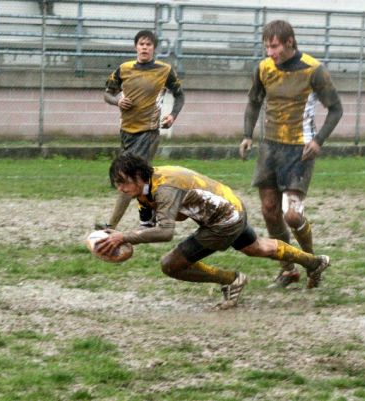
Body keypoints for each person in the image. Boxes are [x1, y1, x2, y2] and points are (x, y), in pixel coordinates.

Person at [95, 153, 331, 309]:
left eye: (123, 182)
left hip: (223, 219)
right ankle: (314, 262)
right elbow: (148, 227)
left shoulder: (163, 188)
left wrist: (123, 237)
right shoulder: (144, 190)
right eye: (117, 184)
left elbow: (165, 231)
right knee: (257, 247)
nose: (121, 189)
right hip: (229, 208)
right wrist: (120, 238)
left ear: (138, 176)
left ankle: (232, 280)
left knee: (170, 264)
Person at [238, 20, 343, 288]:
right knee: (269, 210)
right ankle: (287, 270)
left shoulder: (313, 69)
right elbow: (253, 102)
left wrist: (319, 140)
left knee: (292, 216)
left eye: (274, 46)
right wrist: (248, 134)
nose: (270, 52)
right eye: (266, 47)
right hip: (270, 148)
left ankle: (311, 262)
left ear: (289, 42)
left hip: (300, 149)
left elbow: (336, 109)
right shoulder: (263, 68)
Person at [97, 29, 185, 230]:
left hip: (149, 131)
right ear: (136, 46)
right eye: (141, 44)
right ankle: (148, 216)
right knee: (142, 176)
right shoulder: (124, 69)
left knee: (130, 177)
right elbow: (107, 94)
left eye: (149, 44)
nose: (145, 47)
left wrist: (172, 116)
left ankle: (111, 225)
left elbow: (180, 95)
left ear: (154, 48)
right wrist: (117, 100)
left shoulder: (164, 70)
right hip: (127, 131)